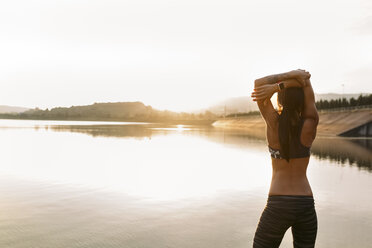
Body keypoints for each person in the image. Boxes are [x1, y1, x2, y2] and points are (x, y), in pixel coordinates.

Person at [250, 69, 319, 248]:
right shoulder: (310, 122)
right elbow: (306, 81)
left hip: (278, 205)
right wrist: (291, 81)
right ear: (302, 100)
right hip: (305, 204)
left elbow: (258, 83)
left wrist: (283, 81)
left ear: (280, 99)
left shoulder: (273, 123)